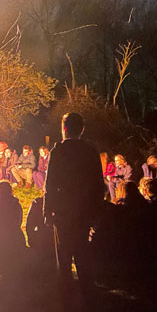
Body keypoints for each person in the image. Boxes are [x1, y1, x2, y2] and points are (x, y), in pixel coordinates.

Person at [43, 112, 104, 289]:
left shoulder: (58, 151)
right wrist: (97, 212)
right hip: (84, 210)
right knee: (82, 249)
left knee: (63, 253)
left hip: (63, 210)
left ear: (63, 129)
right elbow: (98, 184)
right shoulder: (90, 151)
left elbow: (50, 183)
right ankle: (87, 290)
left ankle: (66, 290)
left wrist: (47, 209)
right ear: (82, 130)